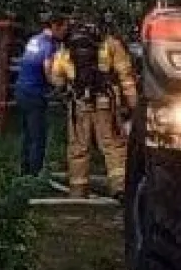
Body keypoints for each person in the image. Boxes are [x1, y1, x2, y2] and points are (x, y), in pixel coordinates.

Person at [50, 13, 139, 200]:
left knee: (78, 147)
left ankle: (77, 191)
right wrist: (133, 105)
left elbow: (56, 75)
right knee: (112, 145)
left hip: (78, 102)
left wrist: (65, 91)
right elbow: (126, 76)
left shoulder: (67, 47)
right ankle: (119, 188)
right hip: (106, 102)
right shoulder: (110, 44)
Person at [15, 12, 68, 177]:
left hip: (21, 90)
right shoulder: (49, 45)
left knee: (27, 134)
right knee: (38, 137)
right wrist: (61, 85)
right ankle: (34, 176)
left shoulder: (34, 40)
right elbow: (48, 70)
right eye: (64, 28)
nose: (65, 32)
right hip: (35, 93)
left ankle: (23, 172)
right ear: (55, 26)